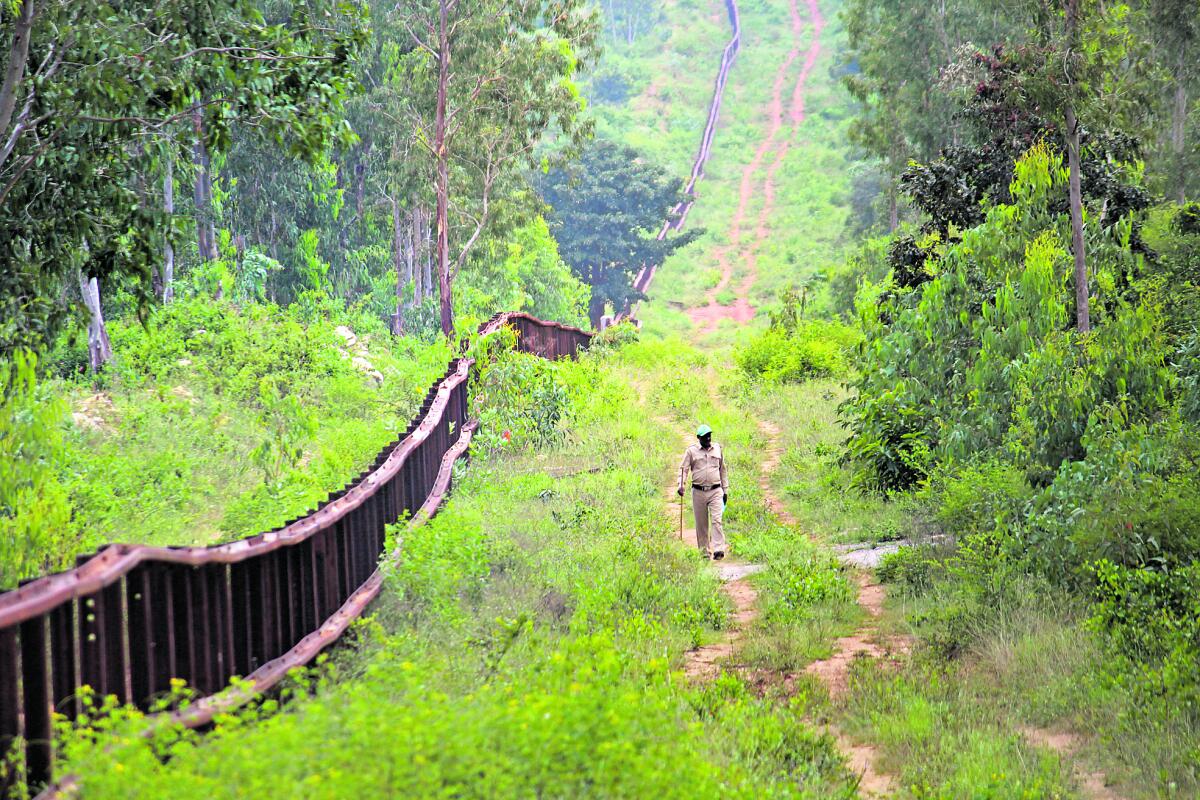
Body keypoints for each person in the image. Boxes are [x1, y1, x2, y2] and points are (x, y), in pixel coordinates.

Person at [677, 424, 728, 559]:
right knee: (701, 524)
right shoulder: (691, 451)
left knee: (717, 520)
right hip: (698, 492)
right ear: (699, 438)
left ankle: (718, 549)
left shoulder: (717, 449)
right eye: (705, 437)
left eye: (709, 435)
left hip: (716, 490)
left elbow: (723, 470)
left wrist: (725, 490)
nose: (708, 439)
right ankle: (704, 552)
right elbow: (684, 469)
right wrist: (681, 485)